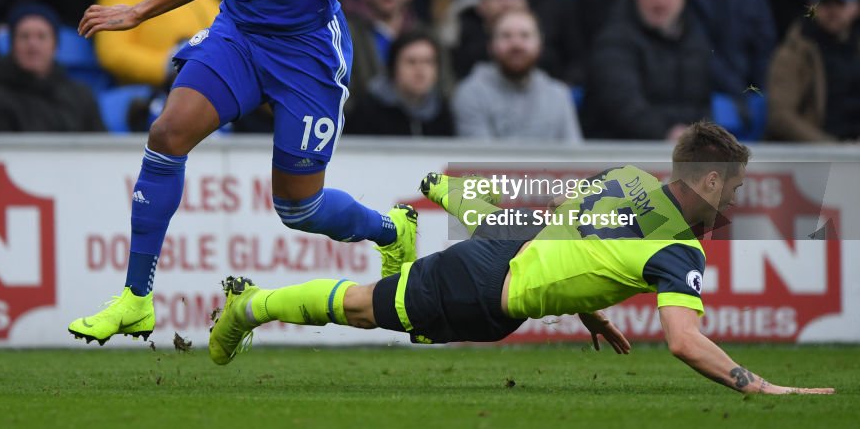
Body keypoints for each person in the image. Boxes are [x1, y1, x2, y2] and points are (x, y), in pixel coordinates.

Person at [68, 0, 417, 345]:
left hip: (305, 46)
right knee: (168, 132)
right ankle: (135, 299)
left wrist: (136, 12)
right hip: (241, 32)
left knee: (298, 209)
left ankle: (390, 229)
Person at [208, 124, 835, 396]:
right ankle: (249, 306)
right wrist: (763, 385)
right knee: (366, 310)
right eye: (734, 184)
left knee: (396, 307)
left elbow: (577, 237)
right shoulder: (678, 249)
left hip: (504, 269)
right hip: (484, 287)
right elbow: (683, 341)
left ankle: (423, 219)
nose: (740, 195)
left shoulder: (625, 179)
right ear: (706, 184)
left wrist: (590, 312)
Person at [582, 0, 711, 140]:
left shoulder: (697, 40)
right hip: (623, 149)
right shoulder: (613, 40)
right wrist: (667, 134)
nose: (659, 1)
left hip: (685, 145)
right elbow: (622, 105)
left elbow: (705, 102)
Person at [452, 9, 582, 142]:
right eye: (506, 36)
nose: (516, 44)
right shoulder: (471, 92)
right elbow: (479, 158)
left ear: (539, 44)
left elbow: (573, 156)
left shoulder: (558, 94)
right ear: (491, 46)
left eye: (525, 35)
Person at [0, 4, 105, 132]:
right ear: (12, 46)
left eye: (41, 36)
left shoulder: (81, 96)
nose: (33, 45)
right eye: (24, 37)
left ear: (55, 46)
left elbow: (101, 148)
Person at [767, 0, 860, 142]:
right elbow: (780, 116)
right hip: (815, 154)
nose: (833, 11)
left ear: (855, 7)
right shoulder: (793, 52)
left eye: (840, 3)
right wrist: (830, 148)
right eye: (825, 4)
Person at [346, 30, 454, 137]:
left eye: (428, 62)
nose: (420, 70)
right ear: (393, 68)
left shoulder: (443, 112)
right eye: (411, 62)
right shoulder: (367, 112)